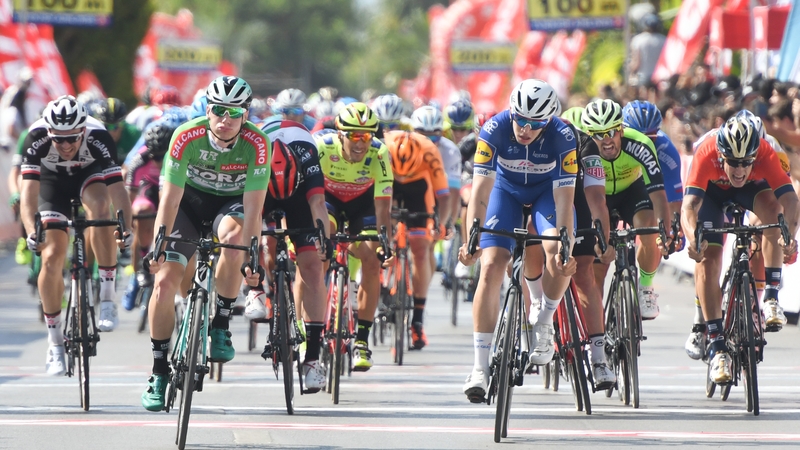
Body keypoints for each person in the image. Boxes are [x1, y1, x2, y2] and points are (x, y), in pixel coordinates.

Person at [140, 76, 269, 411]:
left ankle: (221, 323)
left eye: (234, 113)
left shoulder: (257, 144)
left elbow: (254, 209)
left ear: (246, 115)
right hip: (187, 204)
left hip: (230, 205)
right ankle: (158, 371)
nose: (225, 120)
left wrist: (252, 258)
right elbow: (167, 201)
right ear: (208, 111)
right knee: (165, 283)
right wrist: (157, 247)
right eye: (218, 111)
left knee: (234, 238)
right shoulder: (187, 137)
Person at [459, 79, 577, 403]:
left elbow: (565, 200)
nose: (525, 129)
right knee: (491, 264)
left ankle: (545, 319)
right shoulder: (494, 129)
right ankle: (479, 367)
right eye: (520, 120)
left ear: (548, 120)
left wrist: (565, 245)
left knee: (555, 251)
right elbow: (480, 192)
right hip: (505, 193)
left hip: (546, 195)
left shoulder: (563, 136)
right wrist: (472, 238)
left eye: (535, 124)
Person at [20, 95, 133, 375]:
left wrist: (126, 228)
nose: (66, 145)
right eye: (58, 139)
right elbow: (28, 195)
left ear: (83, 130)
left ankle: (107, 298)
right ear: (49, 132)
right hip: (51, 184)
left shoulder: (99, 136)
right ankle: (55, 343)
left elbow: (118, 189)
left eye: (72, 138)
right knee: (52, 256)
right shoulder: (35, 137)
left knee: (100, 208)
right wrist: (30, 231)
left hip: (88, 176)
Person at [682, 115, 798, 384]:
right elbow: (689, 207)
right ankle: (717, 346)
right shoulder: (706, 151)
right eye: (732, 161)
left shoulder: (768, 153)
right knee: (708, 257)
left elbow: (790, 200)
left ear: (755, 155)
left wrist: (788, 236)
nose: (738, 169)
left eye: (745, 162)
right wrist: (692, 238)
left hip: (751, 191)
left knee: (772, 212)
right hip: (711, 193)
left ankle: (770, 296)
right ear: (721, 154)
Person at [244, 117, 331, 392]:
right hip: (261, 192)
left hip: (300, 196)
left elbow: (317, 203)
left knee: (314, 268)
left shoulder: (308, 154)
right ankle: (257, 290)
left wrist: (324, 243)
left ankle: (313, 359)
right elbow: (249, 218)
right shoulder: (254, 154)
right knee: (255, 239)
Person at [313, 102, 394, 372]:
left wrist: (386, 243)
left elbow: (383, 205)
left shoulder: (380, 153)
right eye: (354, 136)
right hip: (328, 200)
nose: (361, 143)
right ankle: (312, 322)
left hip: (363, 204)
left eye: (367, 136)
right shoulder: (321, 147)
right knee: (320, 250)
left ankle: (361, 339)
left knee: (372, 261)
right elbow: (309, 196)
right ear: (340, 134)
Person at [583, 99, 672, 320]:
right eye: (598, 134)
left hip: (632, 191)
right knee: (598, 267)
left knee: (649, 227)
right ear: (588, 134)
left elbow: (659, 195)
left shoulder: (640, 144)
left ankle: (646, 288)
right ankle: (596, 328)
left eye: (611, 132)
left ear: (621, 129)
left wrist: (665, 233)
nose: (606, 141)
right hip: (598, 194)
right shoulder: (584, 149)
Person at [383, 130, 451, 349]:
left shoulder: (430, 151)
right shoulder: (382, 148)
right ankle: (382, 282)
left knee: (420, 249)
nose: (403, 175)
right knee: (378, 234)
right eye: (400, 173)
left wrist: (440, 224)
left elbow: (444, 195)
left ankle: (418, 319)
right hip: (387, 184)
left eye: (406, 172)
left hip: (419, 188)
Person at [120, 120, 177, 311]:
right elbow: (128, 198)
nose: (159, 162)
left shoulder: (179, 156)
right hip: (149, 189)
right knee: (141, 213)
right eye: (155, 157)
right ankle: (140, 268)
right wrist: (127, 226)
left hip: (172, 188)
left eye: (163, 157)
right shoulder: (139, 160)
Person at [87, 98, 142, 163]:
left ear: (123, 124)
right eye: (106, 126)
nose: (111, 131)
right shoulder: (93, 137)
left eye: (115, 126)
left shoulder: (134, 133)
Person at [629, 13, 666, 87]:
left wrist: (631, 73)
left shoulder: (638, 40)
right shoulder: (663, 40)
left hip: (643, 76)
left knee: (643, 97)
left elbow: (636, 62)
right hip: (660, 76)